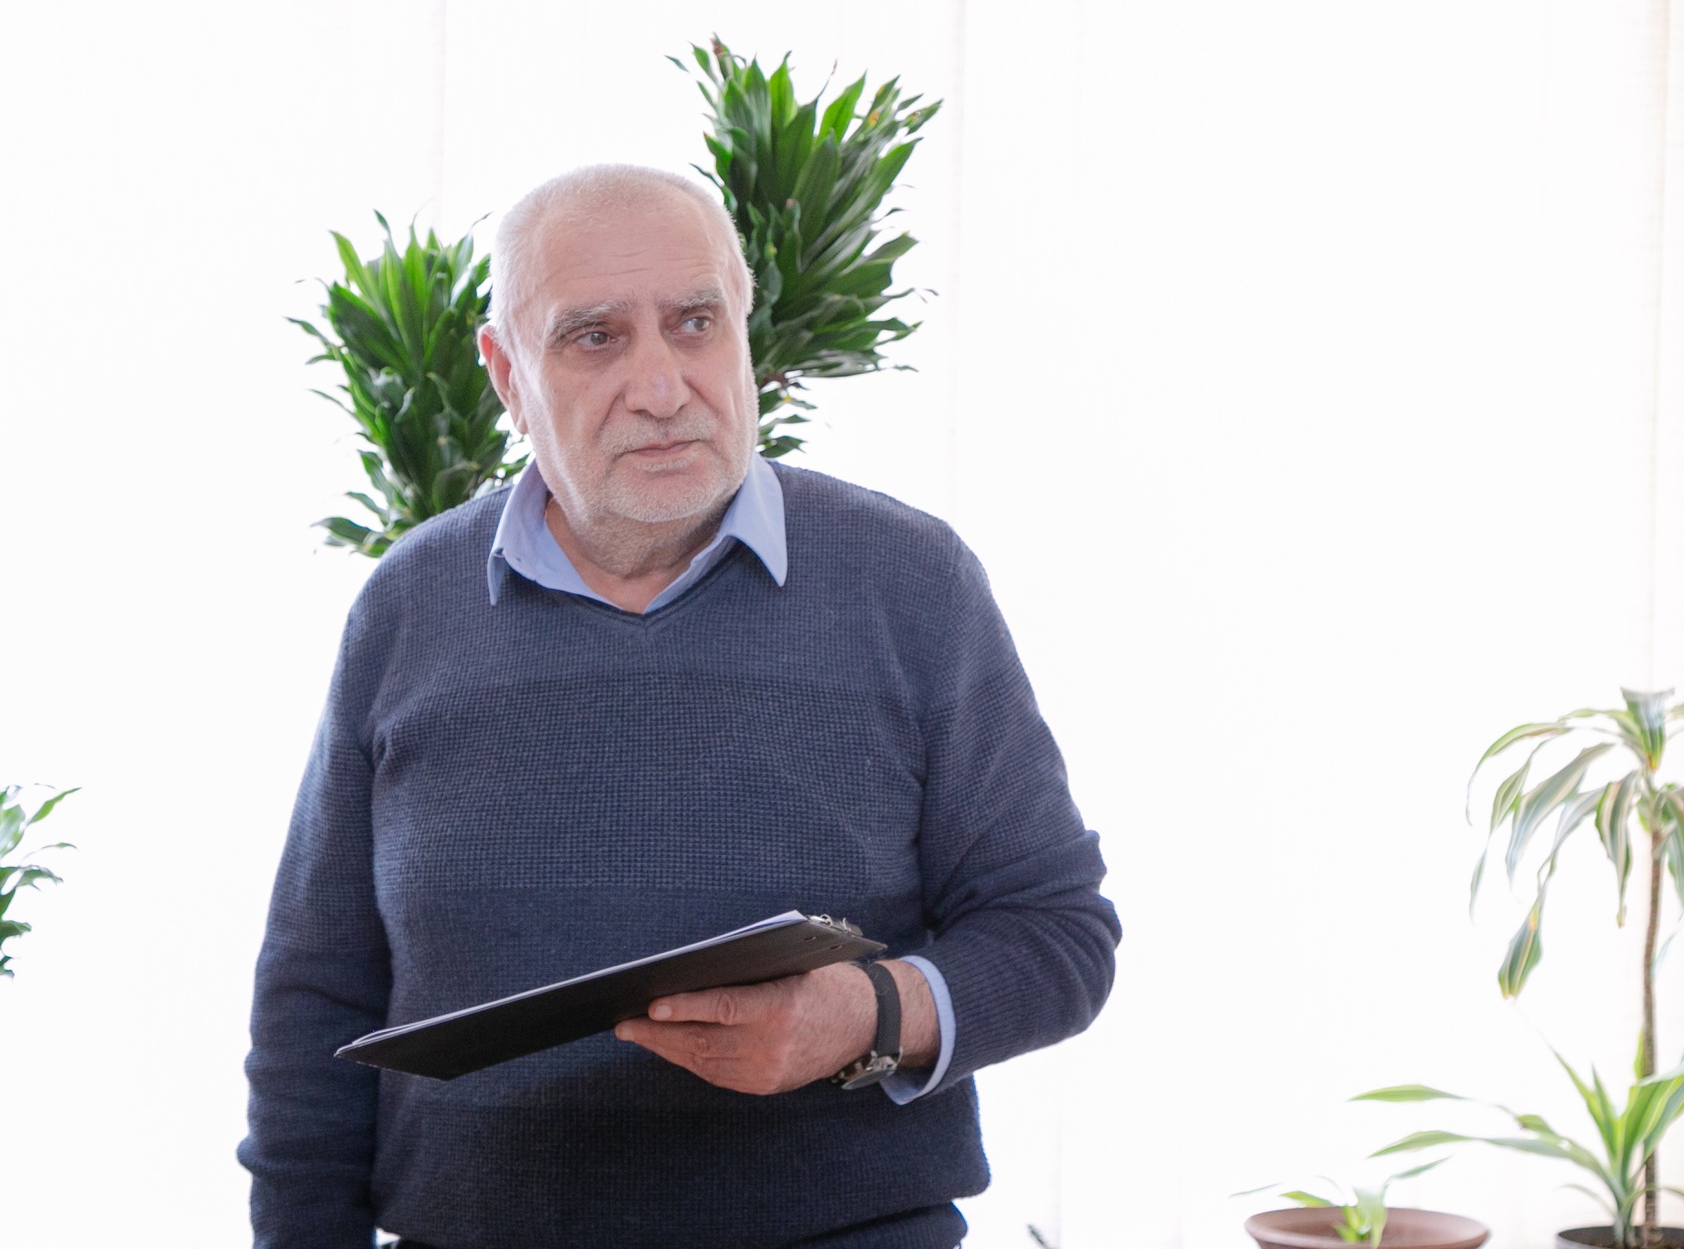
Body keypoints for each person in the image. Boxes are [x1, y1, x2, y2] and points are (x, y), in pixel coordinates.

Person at [239, 164, 1120, 1249]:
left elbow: (1058, 932)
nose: (661, 387)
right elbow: (315, 995)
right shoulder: (408, 604)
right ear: (508, 374)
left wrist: (869, 1013)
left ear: (743, 332)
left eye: (695, 323)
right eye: (594, 337)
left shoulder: (910, 581)